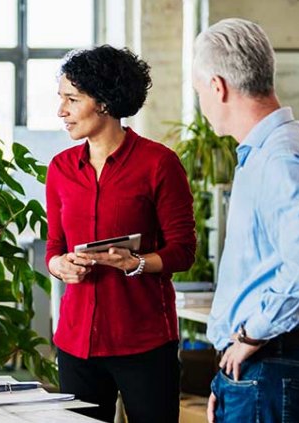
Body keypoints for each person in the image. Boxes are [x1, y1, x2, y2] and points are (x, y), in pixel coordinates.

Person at [193, 19, 299, 423]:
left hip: (273, 361)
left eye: (199, 91)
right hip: (259, 369)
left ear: (218, 87)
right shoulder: (270, 152)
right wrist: (228, 378)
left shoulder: (280, 157)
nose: (201, 104)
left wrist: (249, 337)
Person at [46, 45, 196, 423]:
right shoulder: (60, 168)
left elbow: (183, 250)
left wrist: (136, 263)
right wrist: (59, 265)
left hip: (143, 342)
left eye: (71, 99)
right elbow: (55, 246)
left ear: (104, 103)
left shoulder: (159, 164)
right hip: (76, 342)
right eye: (60, 98)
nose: (61, 110)